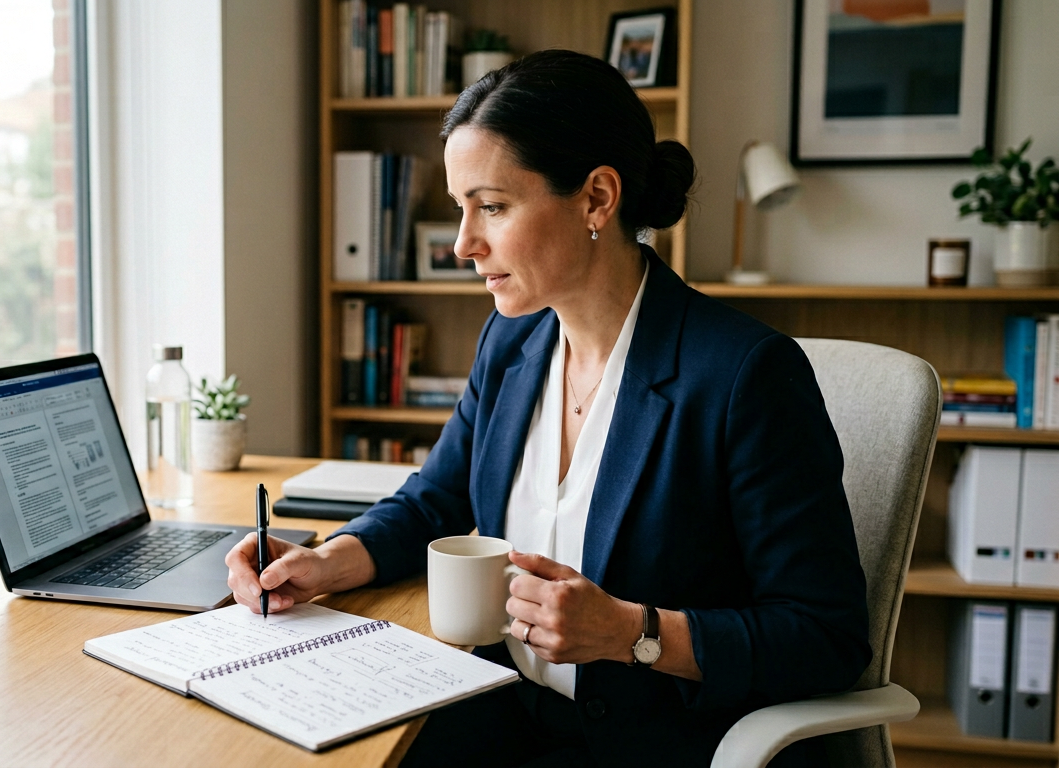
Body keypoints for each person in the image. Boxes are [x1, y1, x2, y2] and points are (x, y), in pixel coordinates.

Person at [225, 49, 870, 767]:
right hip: (505, 708)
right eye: (460, 209)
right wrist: (325, 563)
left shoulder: (746, 376)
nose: (465, 244)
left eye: (492, 207)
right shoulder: (513, 340)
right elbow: (434, 501)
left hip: (655, 743)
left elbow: (825, 637)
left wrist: (633, 633)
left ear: (597, 198)